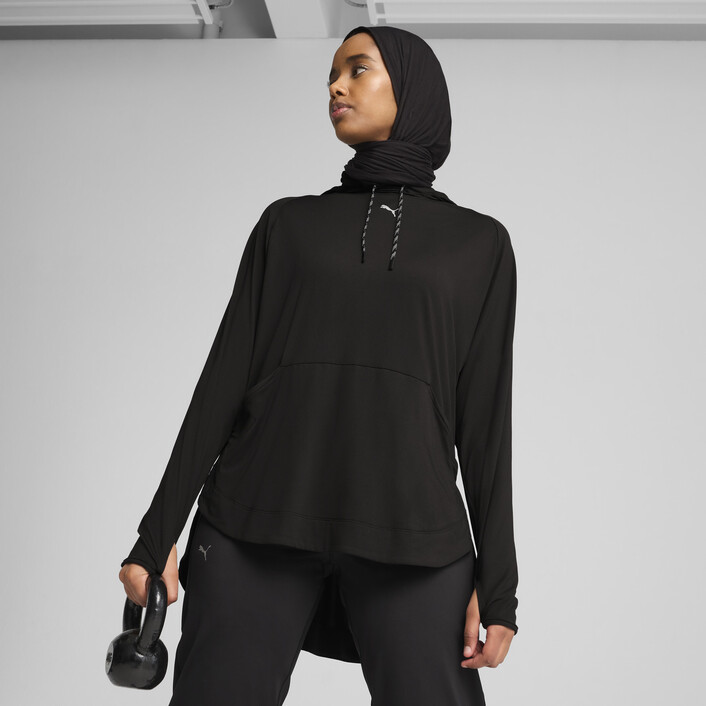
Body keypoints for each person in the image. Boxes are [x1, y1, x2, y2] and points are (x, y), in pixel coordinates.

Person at [119, 24, 519, 706]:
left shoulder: (479, 245)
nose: (336, 86)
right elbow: (221, 384)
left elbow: (486, 423)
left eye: (357, 69)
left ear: (413, 88)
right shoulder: (287, 226)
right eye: (332, 74)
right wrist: (154, 537)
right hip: (254, 524)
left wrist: (499, 587)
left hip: (415, 535)